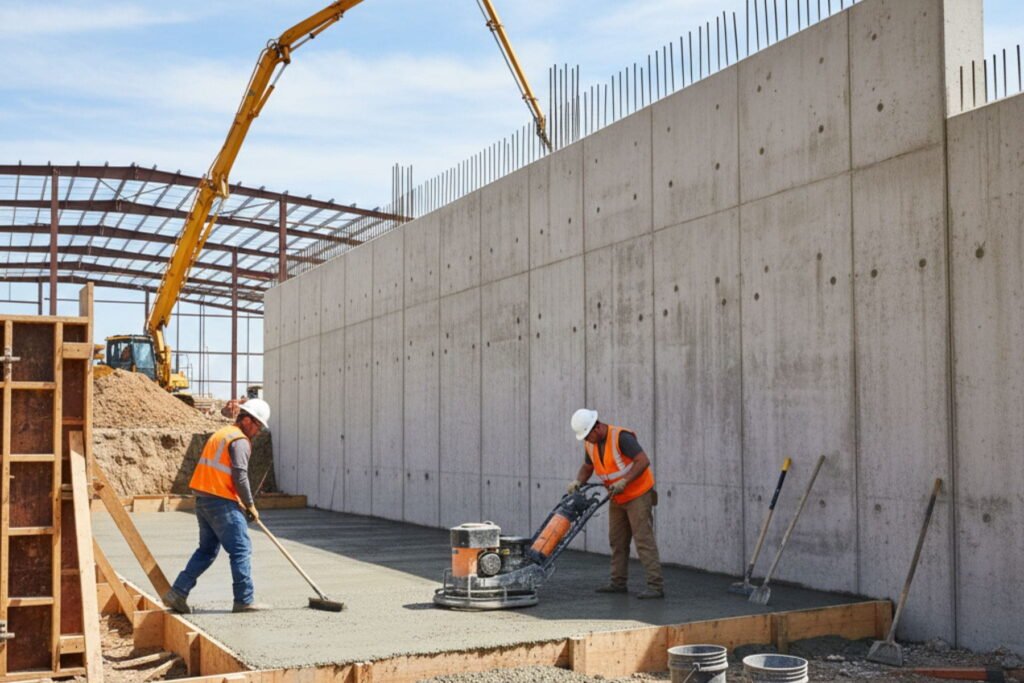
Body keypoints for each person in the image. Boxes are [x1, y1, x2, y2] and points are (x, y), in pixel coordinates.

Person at [162, 399, 272, 614]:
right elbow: (240, 475)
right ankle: (244, 600)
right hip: (221, 502)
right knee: (240, 549)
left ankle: (178, 591)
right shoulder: (239, 441)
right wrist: (250, 504)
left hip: (204, 500)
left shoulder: (222, 434)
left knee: (206, 550)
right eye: (257, 425)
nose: (258, 431)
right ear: (247, 419)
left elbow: (222, 473)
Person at [567, 408, 664, 599]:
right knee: (617, 540)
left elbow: (643, 460)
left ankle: (655, 586)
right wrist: (578, 481)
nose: (587, 440)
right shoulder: (591, 444)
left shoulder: (621, 437)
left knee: (643, 540)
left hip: (637, 494)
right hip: (617, 497)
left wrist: (625, 481)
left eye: (588, 435)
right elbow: (588, 466)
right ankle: (618, 582)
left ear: (597, 427)